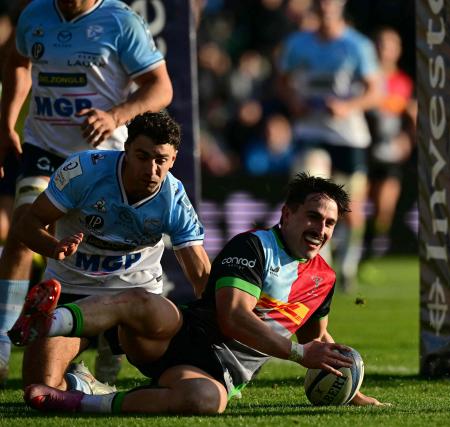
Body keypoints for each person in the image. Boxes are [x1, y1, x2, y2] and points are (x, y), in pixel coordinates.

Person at [11, 173, 383, 414]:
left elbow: (317, 339)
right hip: (177, 337)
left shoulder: (324, 278)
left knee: (207, 402)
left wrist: (351, 386)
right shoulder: (253, 246)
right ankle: (48, 322)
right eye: (313, 216)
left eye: (330, 222)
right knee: (144, 301)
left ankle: (80, 399)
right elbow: (233, 317)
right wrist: (301, 354)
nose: (321, 228)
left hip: (214, 373)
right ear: (287, 214)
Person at [0, 0, 173, 386]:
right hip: (44, 149)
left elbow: (161, 86)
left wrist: (115, 115)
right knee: (21, 232)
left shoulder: (120, 20)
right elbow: (16, 62)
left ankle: (111, 345)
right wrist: (7, 121)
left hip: (102, 158)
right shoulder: (35, 14)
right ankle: (2, 342)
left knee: (109, 253)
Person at [8, 111, 209, 398]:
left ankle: (114, 346)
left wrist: (221, 331)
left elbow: (201, 274)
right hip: (73, 290)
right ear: (125, 149)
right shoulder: (83, 171)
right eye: (142, 156)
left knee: (187, 378)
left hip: (135, 298)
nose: (151, 169)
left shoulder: (173, 197)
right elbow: (27, 224)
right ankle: (86, 382)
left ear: (173, 159)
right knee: (40, 389)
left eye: (160, 160)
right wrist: (54, 247)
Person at [277, 0, 381, 292]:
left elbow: (375, 91)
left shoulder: (357, 45)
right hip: (311, 131)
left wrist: (348, 106)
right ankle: (321, 267)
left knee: (351, 206)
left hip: (348, 135)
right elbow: (282, 81)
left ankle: (348, 265)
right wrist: (293, 101)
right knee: (315, 194)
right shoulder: (298, 43)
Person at [365, 27, 415, 258]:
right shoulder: (366, 78)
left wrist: (409, 139)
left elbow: (411, 117)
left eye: (391, 45)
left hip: (389, 154)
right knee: (354, 207)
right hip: (365, 150)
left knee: (384, 208)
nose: (385, 50)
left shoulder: (404, 82)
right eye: (381, 44)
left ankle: (372, 252)